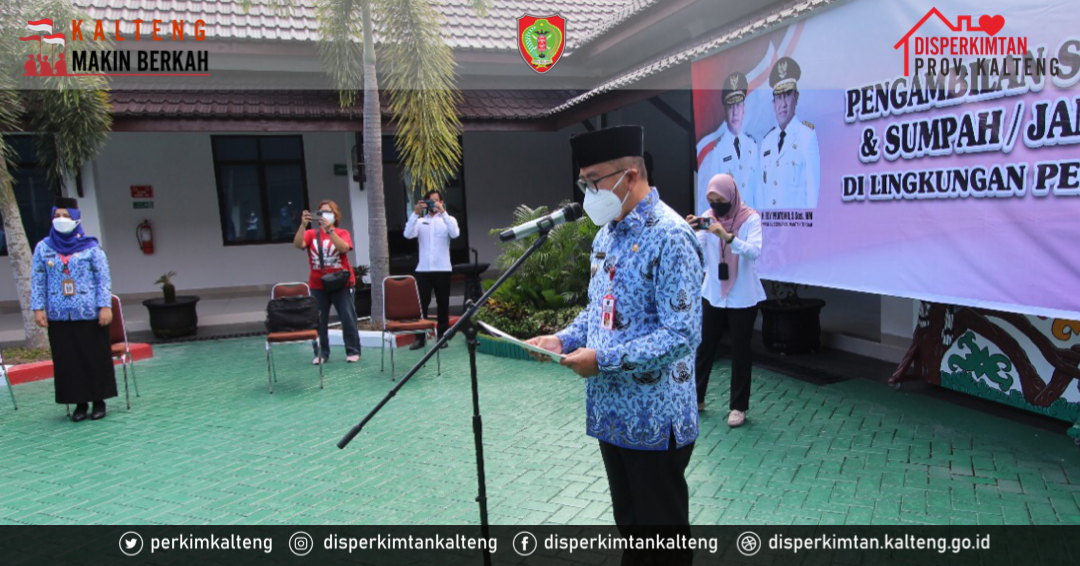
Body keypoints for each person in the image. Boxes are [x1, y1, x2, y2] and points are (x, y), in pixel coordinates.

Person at [526, 125, 703, 565]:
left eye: (594, 181)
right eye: (583, 182)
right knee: (631, 527)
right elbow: (599, 310)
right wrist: (563, 338)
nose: (588, 192)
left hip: (655, 416)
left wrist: (602, 359)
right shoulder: (607, 234)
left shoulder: (671, 236)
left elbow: (682, 334)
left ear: (630, 176)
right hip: (612, 413)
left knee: (662, 538)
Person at [686, 174, 765, 428]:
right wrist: (690, 231)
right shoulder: (708, 218)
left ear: (731, 196)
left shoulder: (750, 219)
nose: (715, 205)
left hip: (743, 296)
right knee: (705, 346)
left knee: (741, 350)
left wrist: (728, 237)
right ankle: (696, 398)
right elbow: (697, 252)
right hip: (713, 294)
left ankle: (738, 407)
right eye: (711, 200)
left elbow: (754, 251)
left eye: (720, 200)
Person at [31, 197, 117, 422]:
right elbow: (38, 280)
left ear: (76, 219)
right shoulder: (43, 248)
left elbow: (103, 279)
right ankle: (79, 403)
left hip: (89, 313)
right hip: (59, 315)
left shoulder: (91, 248)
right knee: (68, 361)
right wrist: (38, 308)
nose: (61, 219)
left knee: (94, 357)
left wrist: (105, 306)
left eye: (66, 216)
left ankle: (99, 401)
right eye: (57, 215)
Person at [294, 200, 361, 364]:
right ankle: (321, 353)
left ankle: (353, 350)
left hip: (341, 282)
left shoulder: (342, 232)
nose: (325, 215)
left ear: (335, 216)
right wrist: (303, 225)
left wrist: (330, 230)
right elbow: (298, 244)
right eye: (322, 212)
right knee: (319, 319)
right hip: (318, 284)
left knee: (347, 317)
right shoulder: (311, 234)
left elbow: (343, 248)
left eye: (329, 212)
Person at [759, 56, 820, 210]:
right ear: (773, 104)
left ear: (796, 97)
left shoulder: (807, 136)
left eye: (787, 95)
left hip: (796, 224)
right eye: (779, 97)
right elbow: (762, 195)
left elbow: (812, 196)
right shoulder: (766, 142)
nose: (783, 104)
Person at [696, 71, 761, 211]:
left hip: (750, 219)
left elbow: (758, 191)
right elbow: (713, 195)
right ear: (725, 112)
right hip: (728, 220)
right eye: (730, 106)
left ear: (744, 109)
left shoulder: (752, 146)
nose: (735, 112)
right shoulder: (718, 150)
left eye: (738, 105)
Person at [403, 190, 459, 350]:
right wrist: (415, 213)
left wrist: (443, 212)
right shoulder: (421, 222)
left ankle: (442, 337)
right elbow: (407, 234)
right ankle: (420, 338)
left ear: (442, 202)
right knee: (421, 305)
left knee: (443, 304)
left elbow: (455, 234)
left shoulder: (449, 220)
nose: (434, 204)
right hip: (423, 270)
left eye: (436, 201)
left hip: (442, 269)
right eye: (431, 201)